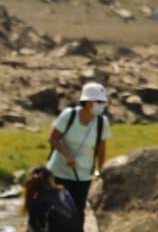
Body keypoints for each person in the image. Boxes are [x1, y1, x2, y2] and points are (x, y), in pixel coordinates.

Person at [46, 81, 110, 216]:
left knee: (78, 214)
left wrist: (101, 170)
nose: (101, 105)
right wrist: (67, 155)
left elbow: (101, 149)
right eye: (98, 102)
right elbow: (53, 139)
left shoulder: (101, 122)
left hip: (83, 177)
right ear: (87, 102)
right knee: (57, 213)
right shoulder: (69, 115)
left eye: (103, 102)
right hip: (59, 173)